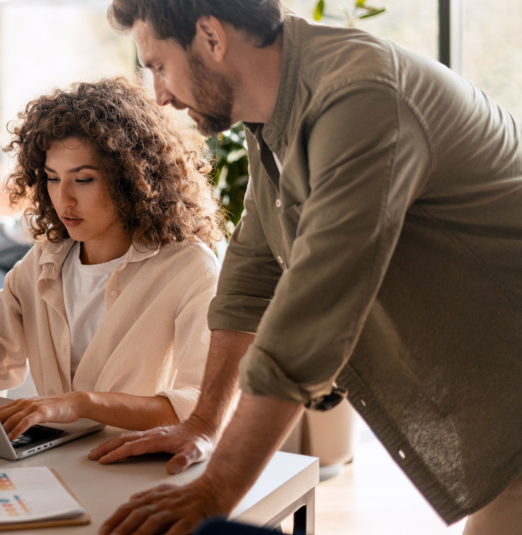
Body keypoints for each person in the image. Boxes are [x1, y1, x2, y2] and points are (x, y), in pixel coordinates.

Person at [91, 2, 522, 535]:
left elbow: (310, 321)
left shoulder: (359, 97)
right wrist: (204, 423)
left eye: (158, 65)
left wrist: (214, 493)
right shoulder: (272, 110)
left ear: (211, 36)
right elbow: (253, 270)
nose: (158, 93)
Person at [0, 77, 224, 441]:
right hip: (54, 464)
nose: (63, 199)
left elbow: (197, 405)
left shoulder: (190, 269)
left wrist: (81, 404)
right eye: (52, 178)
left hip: (135, 465)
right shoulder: (41, 263)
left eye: (82, 180)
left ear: (130, 179)